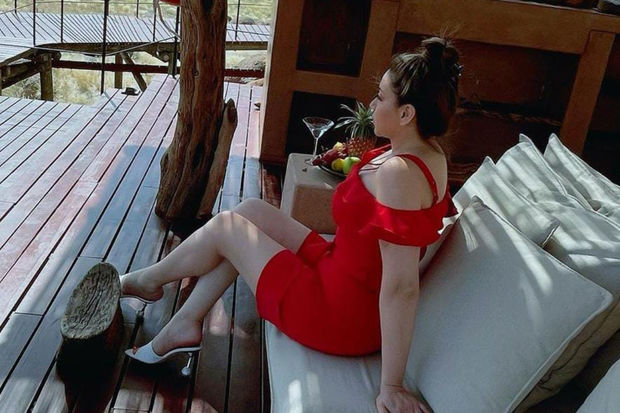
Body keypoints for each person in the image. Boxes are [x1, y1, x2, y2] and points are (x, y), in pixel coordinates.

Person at [120, 36, 461, 413]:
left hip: (339, 314)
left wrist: (391, 385)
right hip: (338, 269)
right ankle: (183, 322)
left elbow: (401, 286)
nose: (372, 104)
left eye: (381, 97)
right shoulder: (424, 152)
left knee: (229, 229)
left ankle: (146, 282)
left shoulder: (400, 175)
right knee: (250, 211)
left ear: (407, 113)